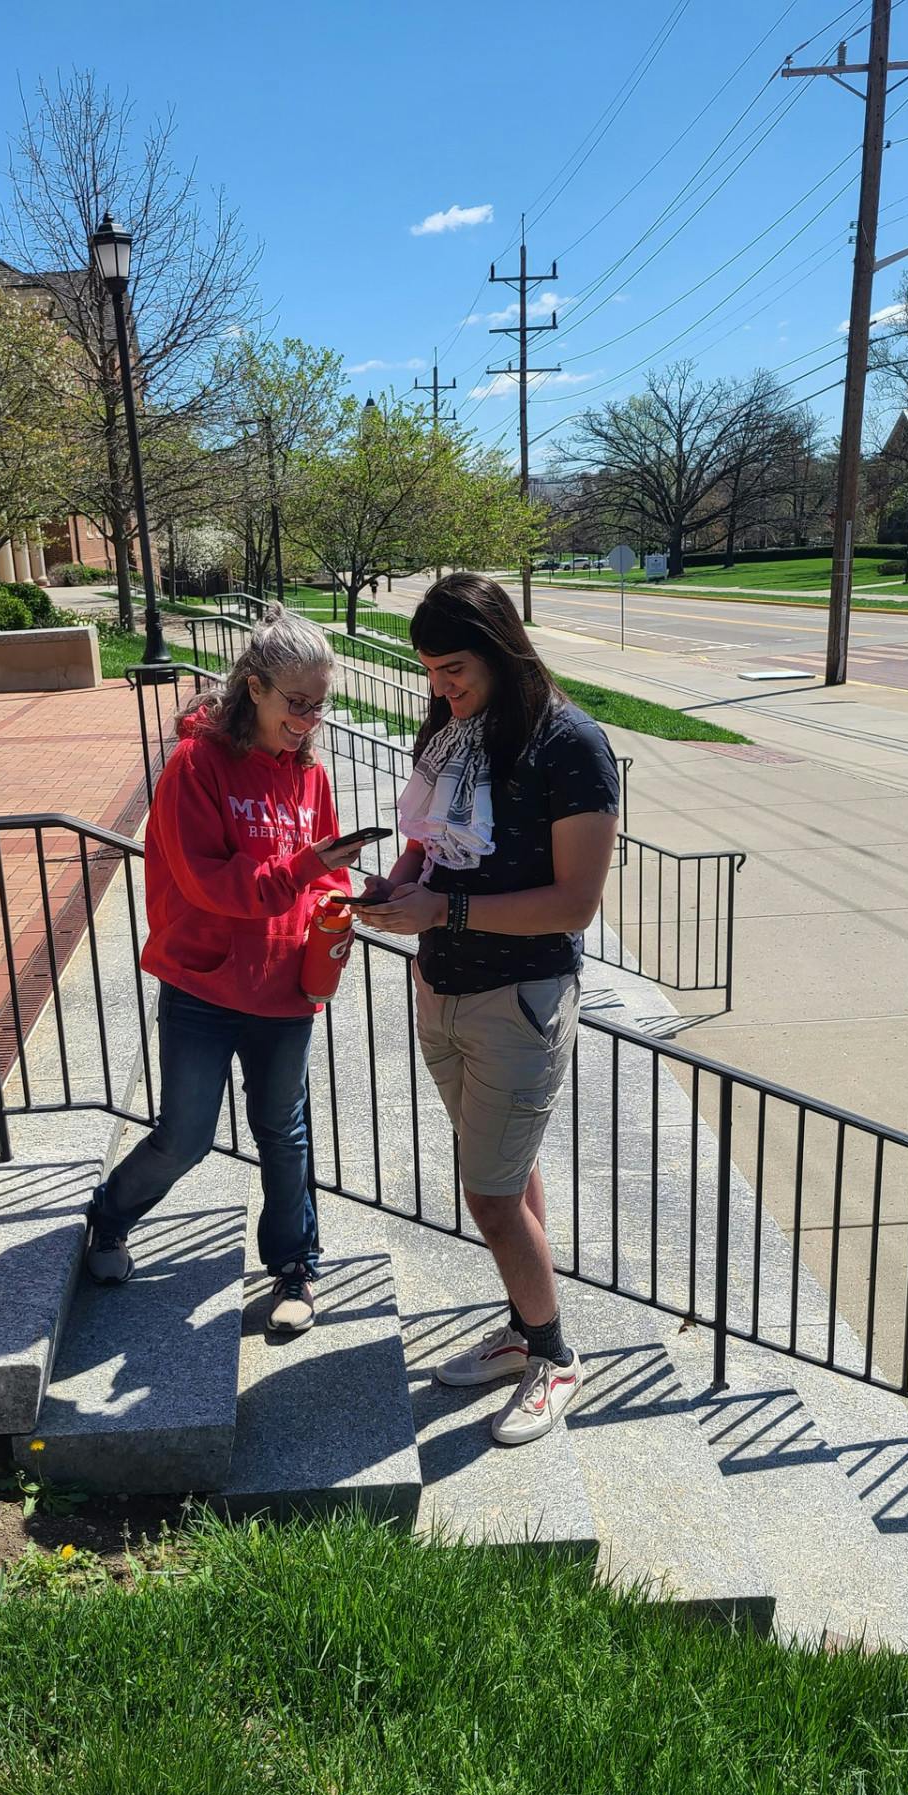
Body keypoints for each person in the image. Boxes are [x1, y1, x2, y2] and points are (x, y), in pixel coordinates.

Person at [364, 572, 619, 1445]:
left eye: (453, 670)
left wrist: (446, 911)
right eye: (430, 672)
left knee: (488, 1194)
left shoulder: (571, 746)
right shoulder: (452, 728)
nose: (440, 689)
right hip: (440, 984)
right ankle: (521, 1327)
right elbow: (427, 841)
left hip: (519, 998)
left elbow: (573, 904)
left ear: (502, 650)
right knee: (505, 1172)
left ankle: (553, 1356)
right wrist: (391, 891)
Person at [84, 606, 366, 1334]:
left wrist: (332, 911)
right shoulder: (194, 766)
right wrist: (307, 867)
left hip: (283, 988)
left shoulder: (310, 774)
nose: (307, 720)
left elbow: (326, 877)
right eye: (295, 703)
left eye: (319, 703)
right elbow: (211, 882)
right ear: (252, 686)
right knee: (185, 1134)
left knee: (283, 1130)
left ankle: (295, 1269)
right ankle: (110, 1217)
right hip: (202, 983)